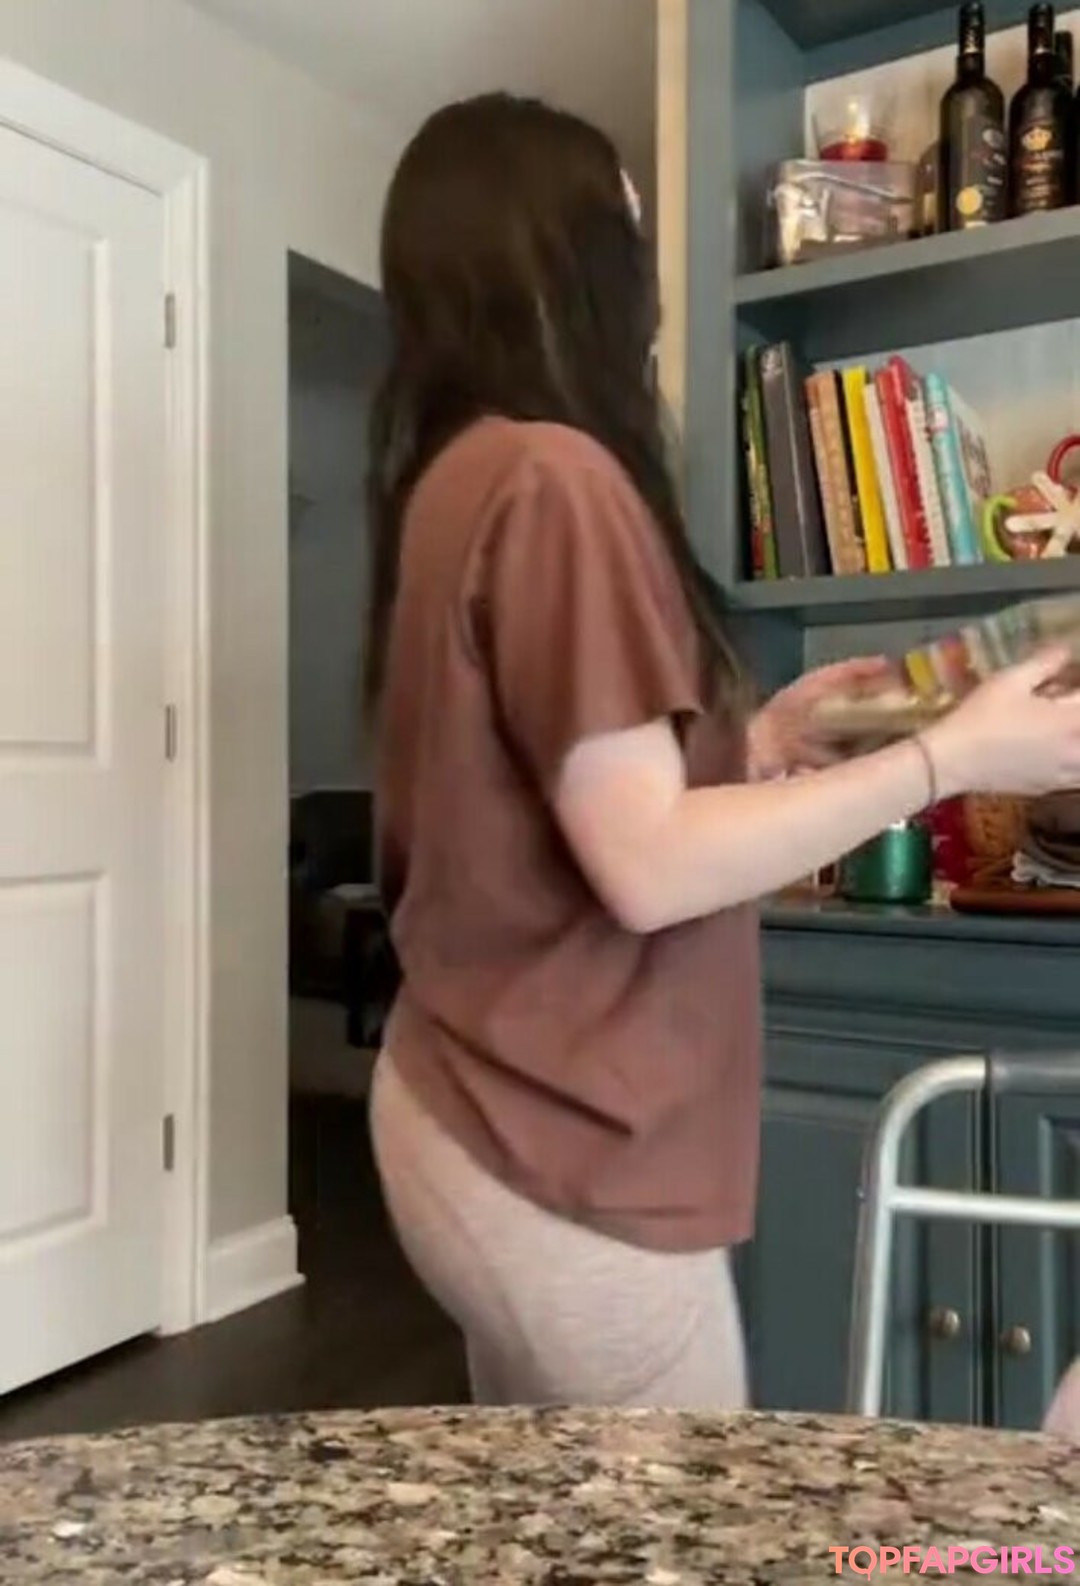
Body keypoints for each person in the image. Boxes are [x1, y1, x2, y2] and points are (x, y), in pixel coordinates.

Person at [364, 93, 1080, 1410]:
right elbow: (643, 864)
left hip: (462, 1105)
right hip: (557, 1147)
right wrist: (949, 758)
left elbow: (536, 801)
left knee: (542, 1503)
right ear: (570, 254)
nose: (650, 277)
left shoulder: (459, 477)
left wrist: (758, 742)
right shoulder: (556, 478)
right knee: (671, 1511)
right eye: (630, 229)